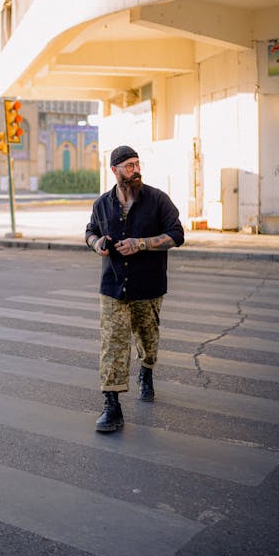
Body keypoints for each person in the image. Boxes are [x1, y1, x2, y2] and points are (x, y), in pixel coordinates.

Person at [85, 145, 184, 433]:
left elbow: (177, 235)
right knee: (112, 345)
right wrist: (97, 244)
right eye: (129, 166)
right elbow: (90, 231)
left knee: (147, 338)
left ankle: (147, 370)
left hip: (148, 285)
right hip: (113, 286)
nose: (135, 170)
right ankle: (112, 405)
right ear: (114, 171)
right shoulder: (102, 204)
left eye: (137, 164)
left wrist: (140, 244)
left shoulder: (157, 200)